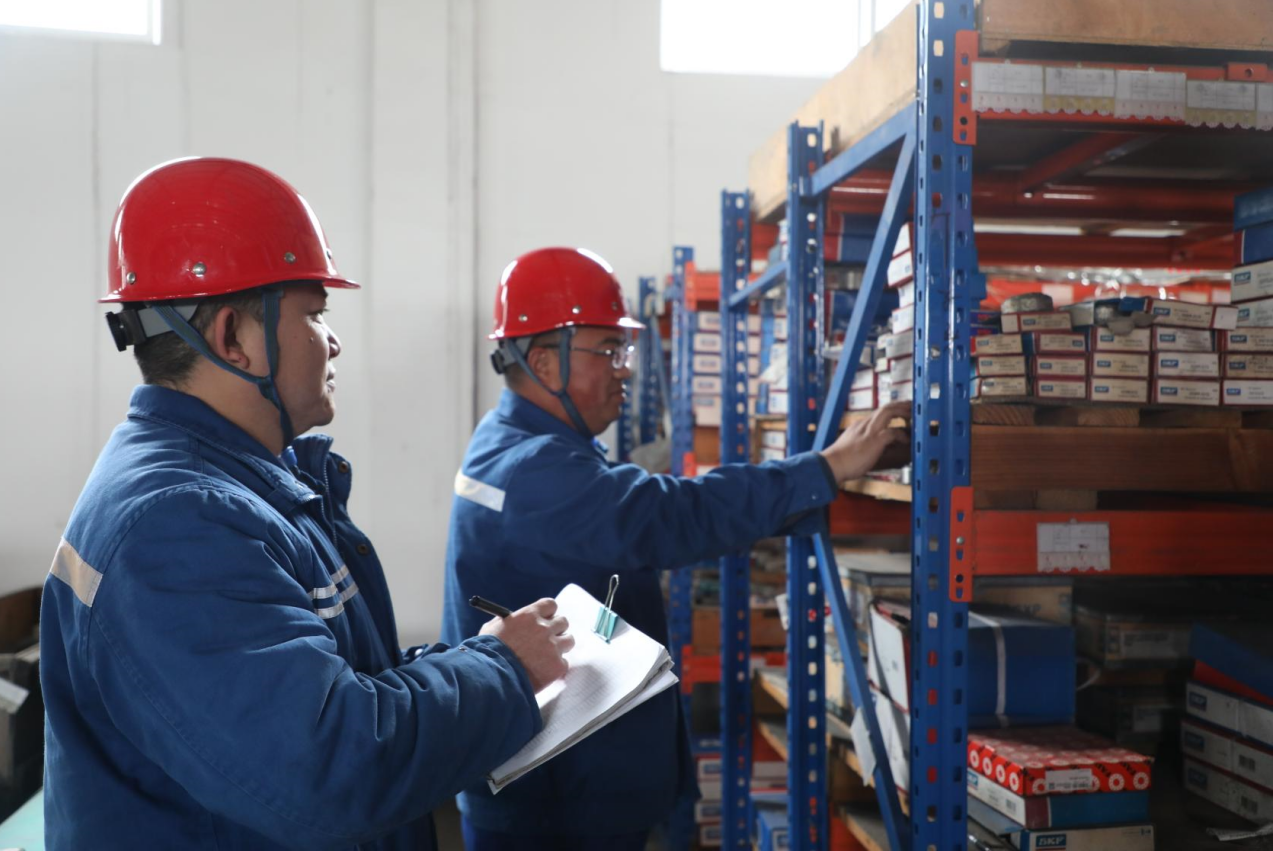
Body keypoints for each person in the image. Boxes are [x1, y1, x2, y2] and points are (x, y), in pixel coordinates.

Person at [40, 158, 575, 851]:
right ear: (233, 337)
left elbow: (334, 676)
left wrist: (476, 658)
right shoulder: (177, 525)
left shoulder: (242, 484)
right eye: (315, 313)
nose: (333, 340)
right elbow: (333, 766)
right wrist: (503, 670)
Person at [441, 246, 909, 850]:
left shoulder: (511, 438)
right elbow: (670, 516)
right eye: (608, 350)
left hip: (561, 776)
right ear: (544, 362)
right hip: (556, 799)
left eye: (625, 350)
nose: (626, 370)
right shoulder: (534, 468)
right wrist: (828, 467)